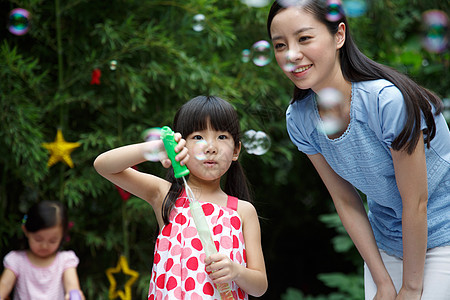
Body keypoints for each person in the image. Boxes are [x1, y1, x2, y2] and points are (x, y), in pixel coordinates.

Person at [267, 1, 450, 299]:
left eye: (304, 38)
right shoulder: (299, 118)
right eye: (279, 44)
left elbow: (416, 202)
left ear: (339, 35)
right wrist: (384, 283)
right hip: (388, 240)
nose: (291, 54)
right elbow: (346, 201)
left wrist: (411, 288)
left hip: (443, 230)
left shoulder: (386, 103)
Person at [93, 95, 267, 299]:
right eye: (198, 137)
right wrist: (158, 148)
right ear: (181, 146)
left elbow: (260, 285)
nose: (211, 147)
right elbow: (103, 166)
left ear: (236, 150)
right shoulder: (164, 195)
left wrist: (236, 271)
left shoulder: (243, 211)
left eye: (222, 137)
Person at [0, 201, 84, 300]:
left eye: (52, 241)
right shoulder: (16, 261)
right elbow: (4, 286)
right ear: (26, 231)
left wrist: (74, 295)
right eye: (38, 239)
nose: (44, 246)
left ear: (62, 236)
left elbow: (72, 287)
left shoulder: (65, 261)